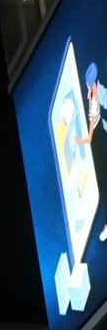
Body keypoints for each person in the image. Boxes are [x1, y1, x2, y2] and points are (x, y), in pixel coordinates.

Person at [74, 61, 107, 243]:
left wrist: (77, 140)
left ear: (90, 83)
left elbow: (89, 138)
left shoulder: (94, 103)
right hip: (100, 139)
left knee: (102, 185)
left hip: (96, 145)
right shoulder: (95, 92)